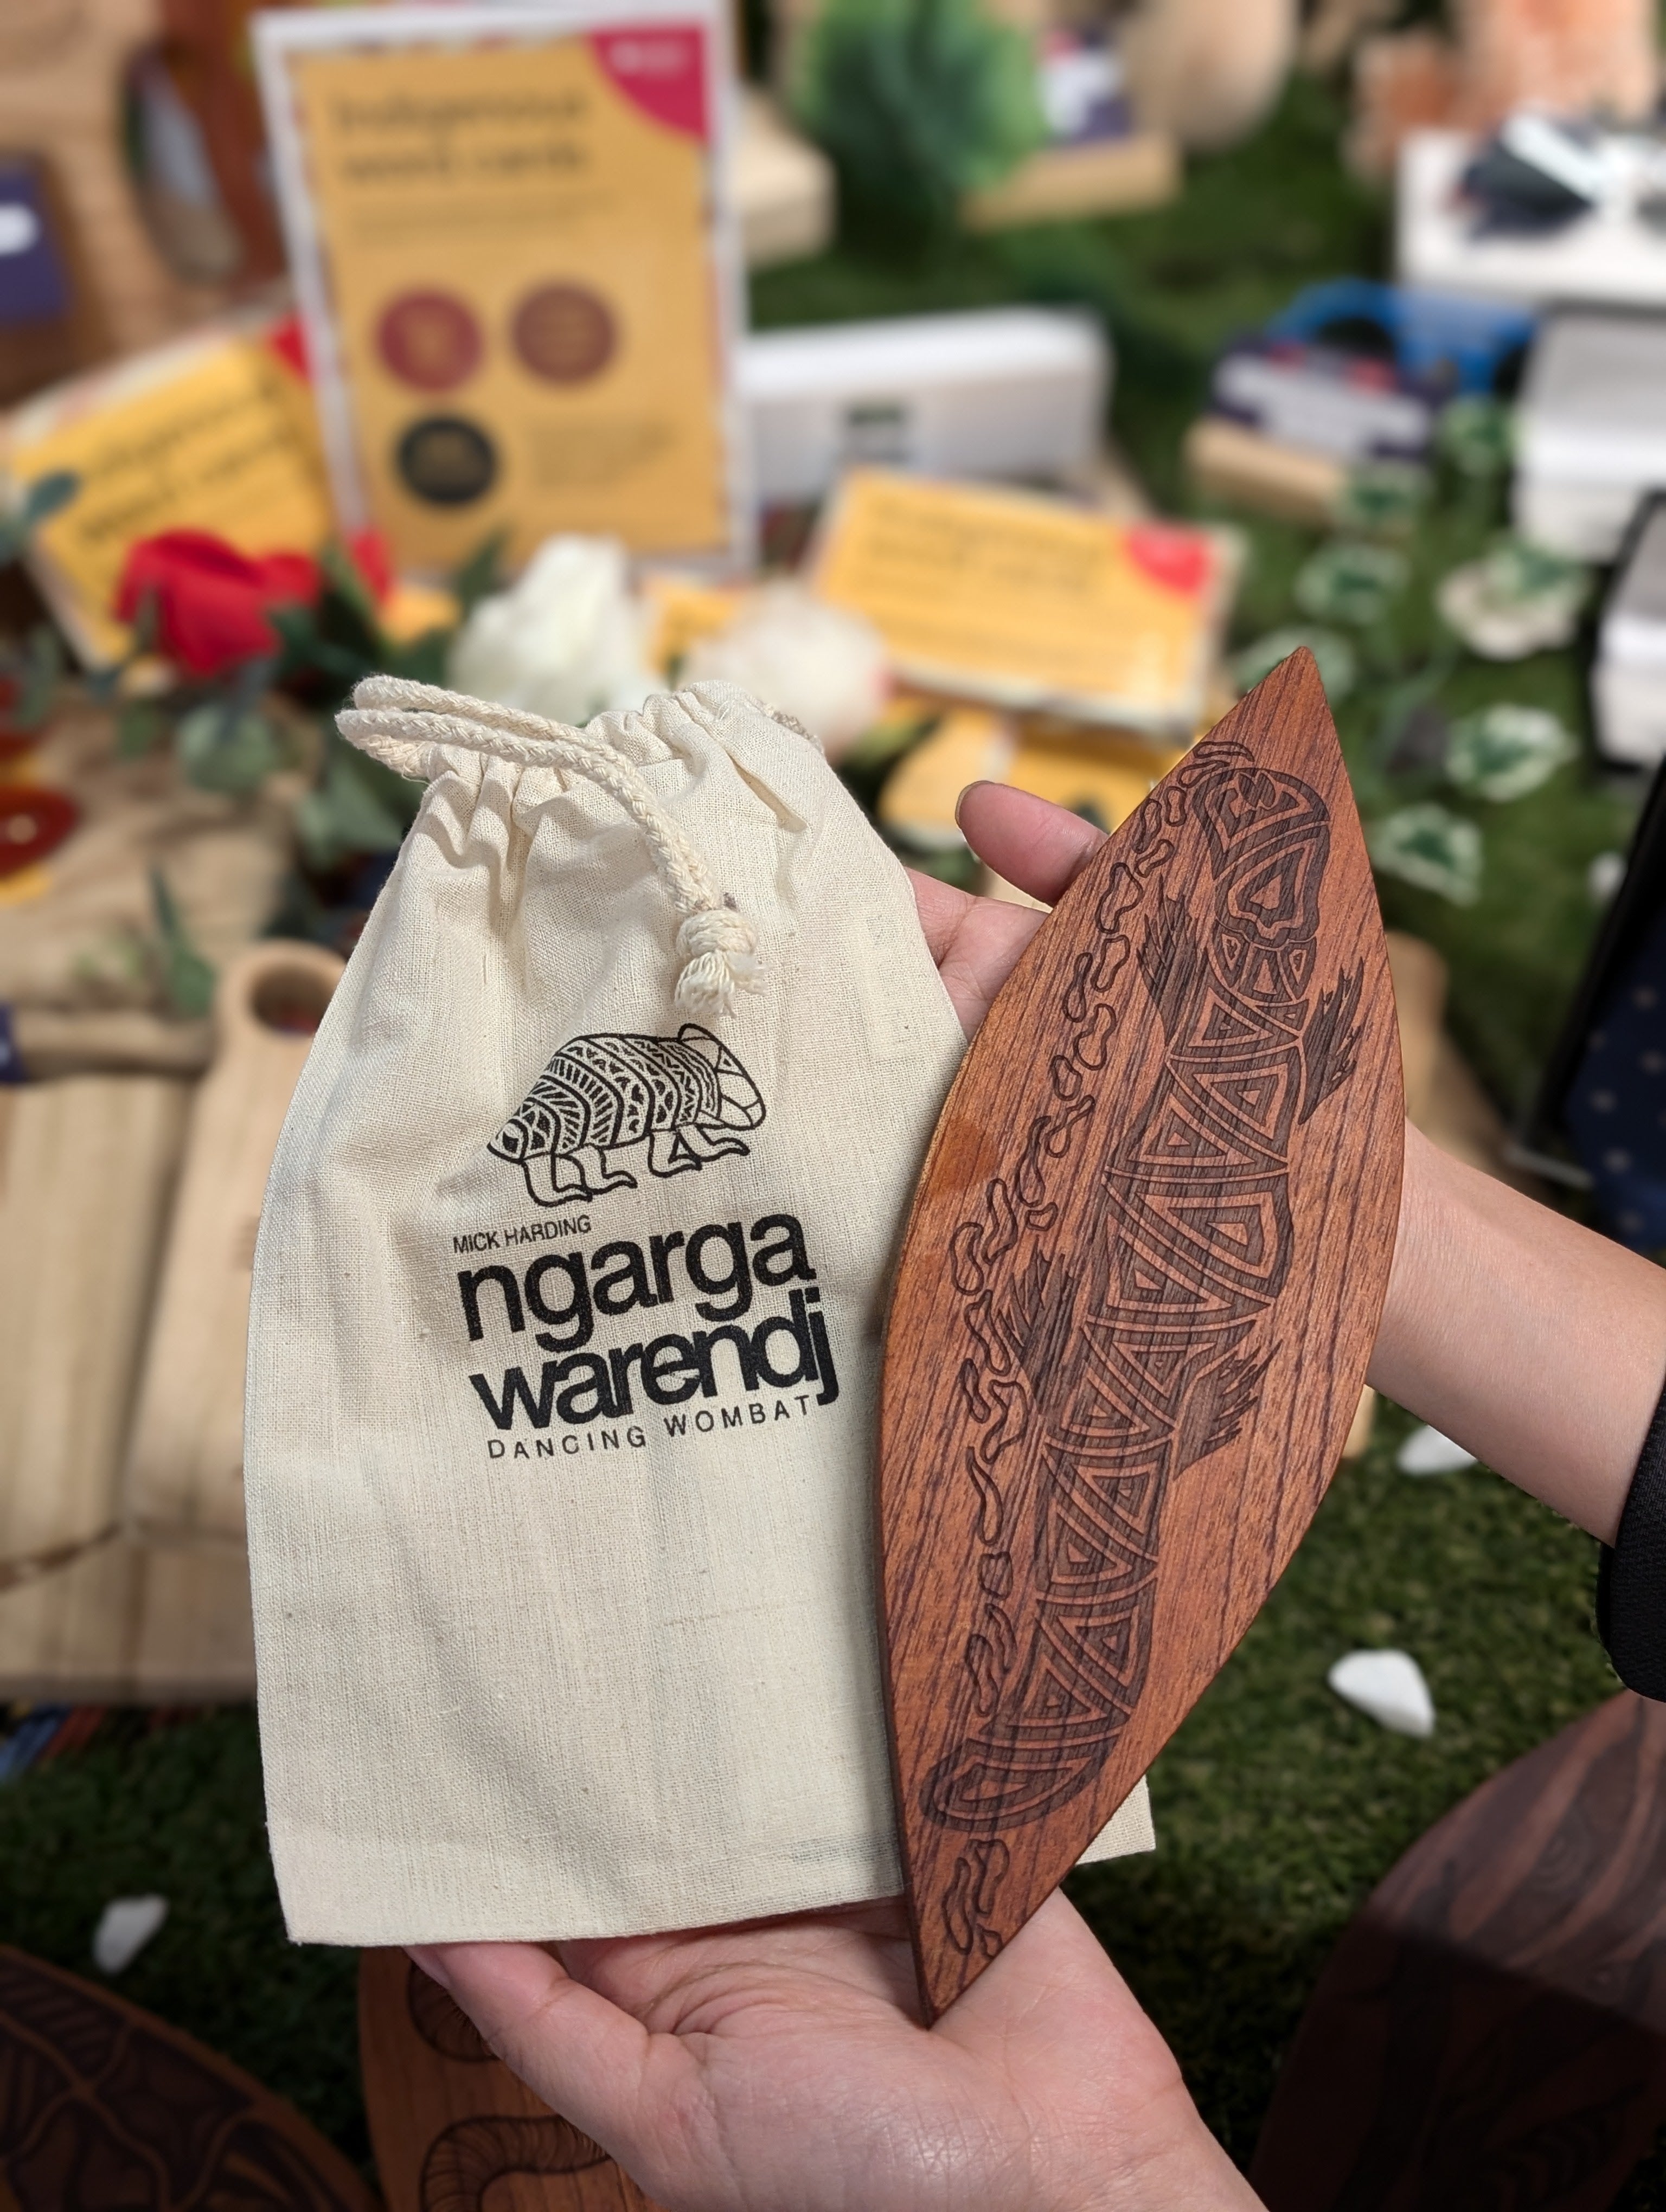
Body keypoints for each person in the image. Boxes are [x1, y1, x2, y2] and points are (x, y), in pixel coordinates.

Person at [408, 782, 1666, 2212]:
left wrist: (1084, 2178)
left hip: (1136, 1378)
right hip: (1114, 1351)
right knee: (1063, 1532)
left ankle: (1029, 1699)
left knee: (1083, 1546)